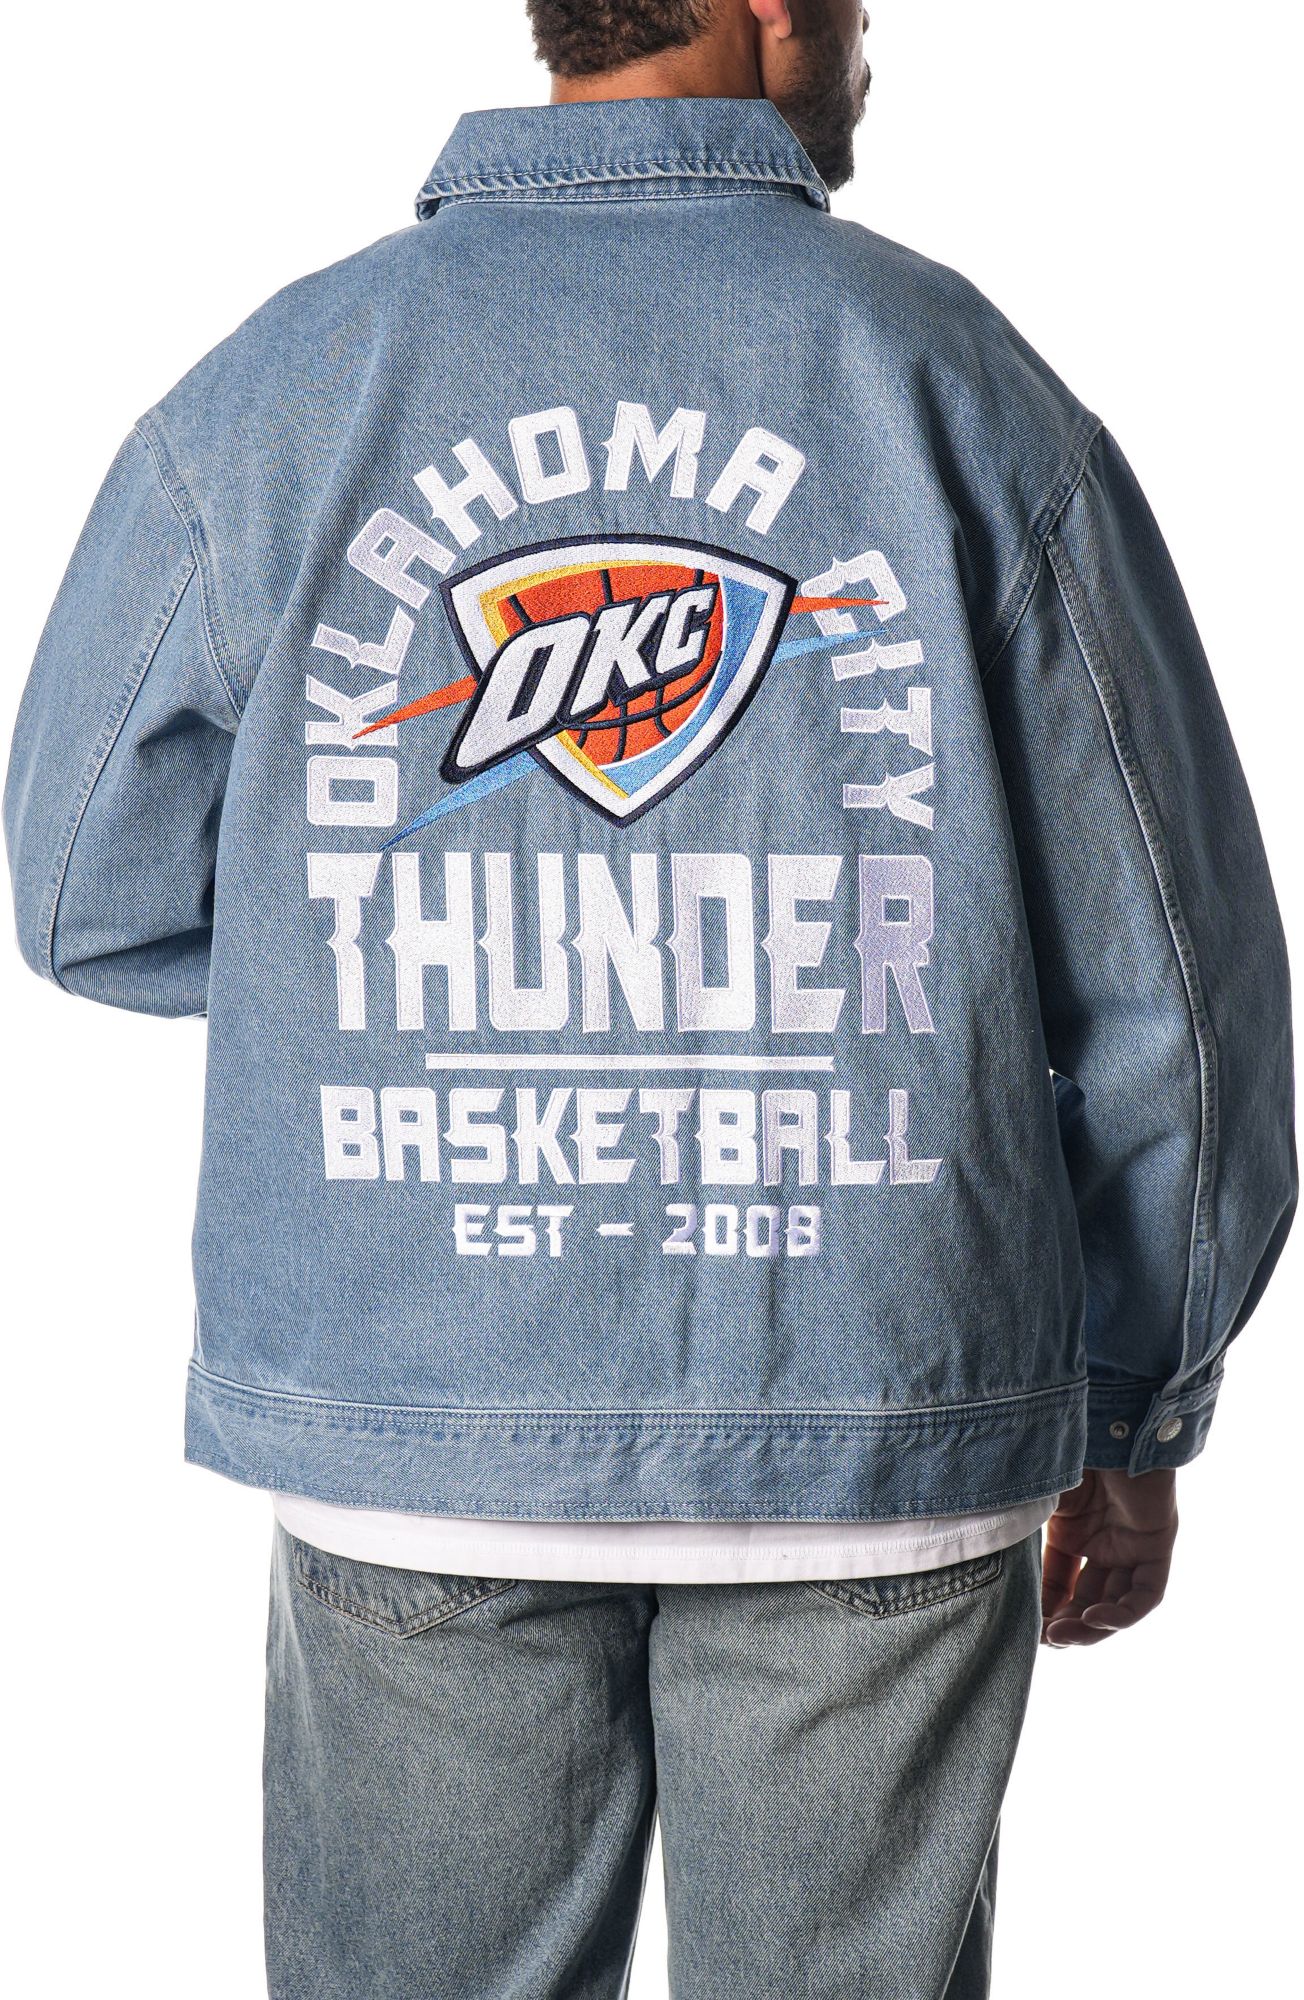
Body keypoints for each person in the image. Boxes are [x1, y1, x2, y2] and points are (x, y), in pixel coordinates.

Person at [4, 2, 1295, 1994]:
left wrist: (380, 973)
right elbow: (1180, 995)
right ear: (770, 9)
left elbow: (79, 884)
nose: (868, 42)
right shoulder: (960, 383)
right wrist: (1139, 1398)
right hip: (873, 1420)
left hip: (426, 1420)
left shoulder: (285, 387)